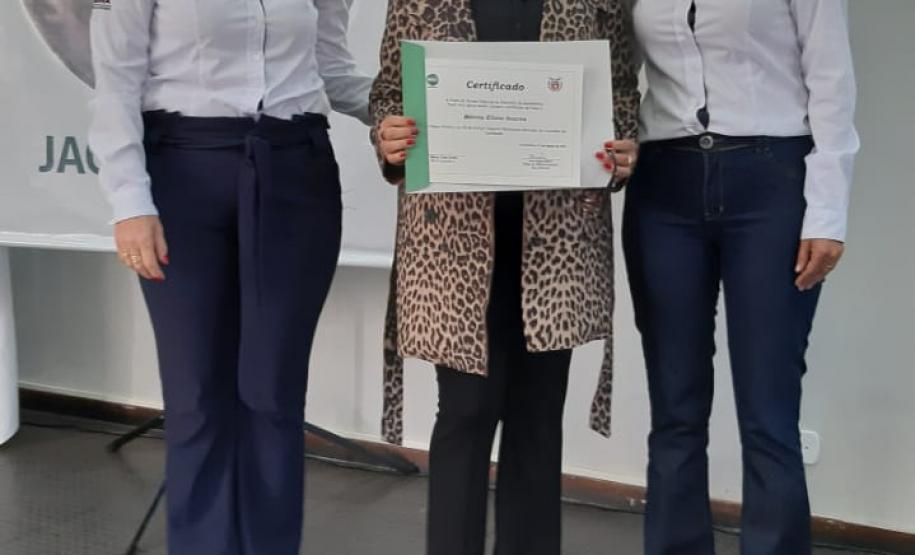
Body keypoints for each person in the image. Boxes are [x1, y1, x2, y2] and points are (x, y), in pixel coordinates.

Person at [88, 1, 373, 553]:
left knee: (274, 392)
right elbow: (116, 79)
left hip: (297, 171)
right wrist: (129, 202)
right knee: (196, 392)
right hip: (182, 174)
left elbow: (331, 67)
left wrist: (416, 103)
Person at [370, 1, 641, 554]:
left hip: (556, 243)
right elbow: (390, 93)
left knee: (538, 419)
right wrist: (389, 137)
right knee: (466, 412)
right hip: (454, 246)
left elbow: (619, 90)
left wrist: (620, 149)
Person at [625, 1, 859, 553]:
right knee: (675, 408)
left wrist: (827, 212)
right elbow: (612, 67)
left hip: (771, 184)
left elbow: (831, 78)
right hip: (664, 187)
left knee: (769, 411)